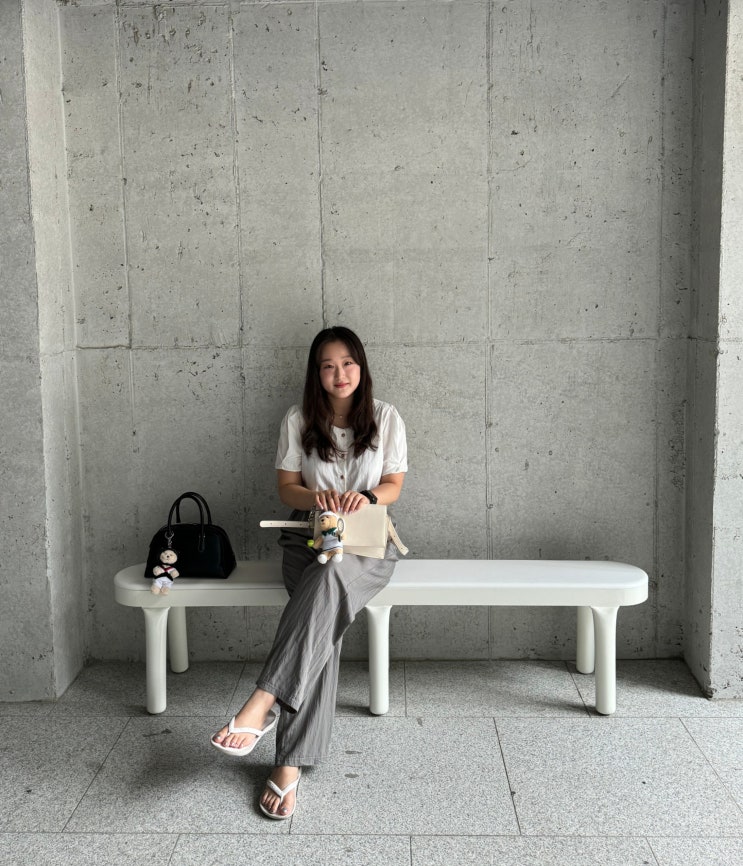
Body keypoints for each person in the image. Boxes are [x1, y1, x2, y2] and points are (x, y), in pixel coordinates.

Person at [211, 326, 407, 819]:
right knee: (323, 621)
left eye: (348, 363)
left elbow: (394, 484)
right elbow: (286, 488)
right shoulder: (298, 419)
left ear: (361, 367)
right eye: (328, 366)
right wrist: (318, 497)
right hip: (308, 535)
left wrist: (364, 497)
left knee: (330, 584)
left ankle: (263, 703)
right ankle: (288, 762)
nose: (340, 374)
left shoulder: (385, 416)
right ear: (316, 373)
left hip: (367, 540)